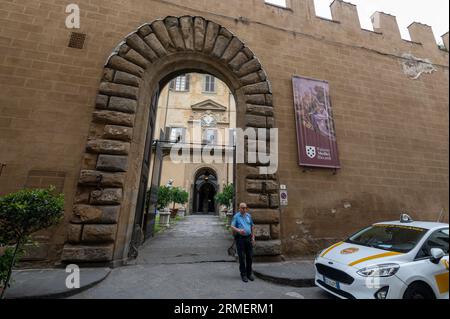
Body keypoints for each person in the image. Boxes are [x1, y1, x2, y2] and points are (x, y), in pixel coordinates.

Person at [231, 203, 256, 283]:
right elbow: (232, 226)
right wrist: (239, 230)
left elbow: (252, 226)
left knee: (250, 257)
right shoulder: (236, 216)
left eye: (245, 208)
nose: (244, 209)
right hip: (240, 239)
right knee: (242, 257)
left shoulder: (249, 216)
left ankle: (249, 273)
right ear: (239, 208)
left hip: (248, 238)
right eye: (242, 208)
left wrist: (253, 237)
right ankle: (243, 274)